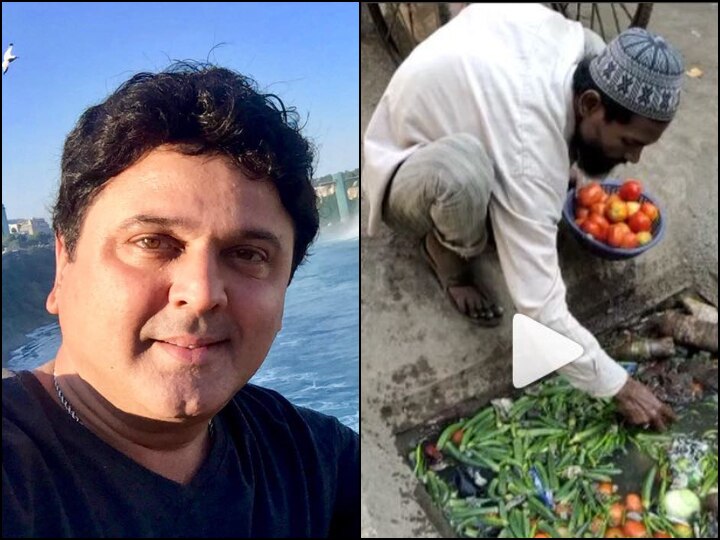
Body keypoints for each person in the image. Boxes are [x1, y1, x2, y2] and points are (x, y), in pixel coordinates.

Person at [2, 63, 359, 538]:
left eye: (248, 254)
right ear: (63, 266)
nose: (203, 293)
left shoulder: (319, 465)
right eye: (153, 242)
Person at [363, 4, 684, 430]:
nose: (633, 157)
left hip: (476, 118)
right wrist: (619, 386)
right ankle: (447, 253)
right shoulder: (528, 148)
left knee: (514, 174)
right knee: (464, 177)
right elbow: (539, 308)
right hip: (409, 169)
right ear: (590, 102)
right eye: (628, 140)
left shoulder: (584, 48)